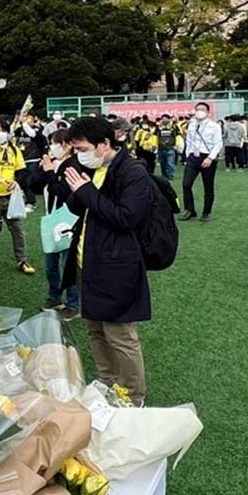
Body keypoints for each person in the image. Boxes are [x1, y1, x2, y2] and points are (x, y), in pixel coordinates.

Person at [61, 116, 153, 404]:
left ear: (104, 144)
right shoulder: (94, 167)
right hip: (87, 260)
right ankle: (107, 380)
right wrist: (75, 188)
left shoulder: (133, 172)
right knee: (95, 329)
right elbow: (81, 207)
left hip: (116, 264)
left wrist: (85, 191)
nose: (78, 154)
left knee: (120, 334)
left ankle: (133, 394)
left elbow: (126, 217)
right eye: (75, 149)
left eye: (82, 148)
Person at [32, 129, 80, 320]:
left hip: (68, 220)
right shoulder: (50, 162)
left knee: (68, 264)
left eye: (55, 143)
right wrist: (43, 171)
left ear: (68, 145)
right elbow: (34, 186)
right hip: (51, 218)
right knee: (50, 263)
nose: (52, 147)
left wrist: (51, 173)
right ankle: (54, 296)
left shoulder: (74, 165)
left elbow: (64, 192)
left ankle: (73, 304)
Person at [0, 117, 36, 276]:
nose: (0, 134)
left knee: (18, 229)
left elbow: (22, 171)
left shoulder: (14, 149)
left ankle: (22, 260)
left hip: (10, 196)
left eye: (4, 130)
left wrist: (17, 182)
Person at [181, 102, 223, 222]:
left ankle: (206, 212)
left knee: (208, 187)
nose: (199, 112)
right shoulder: (192, 124)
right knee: (186, 184)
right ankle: (190, 210)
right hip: (193, 157)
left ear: (208, 112)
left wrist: (210, 158)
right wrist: (188, 155)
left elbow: (218, 144)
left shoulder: (214, 126)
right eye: (197, 109)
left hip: (208, 157)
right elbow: (189, 140)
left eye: (202, 109)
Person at [156, 113, 180, 180]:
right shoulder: (158, 127)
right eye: (163, 119)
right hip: (161, 148)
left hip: (170, 148)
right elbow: (155, 136)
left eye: (166, 118)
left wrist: (177, 145)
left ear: (169, 119)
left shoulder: (174, 127)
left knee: (170, 163)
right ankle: (164, 175)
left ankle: (170, 175)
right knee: (162, 163)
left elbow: (178, 136)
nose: (164, 120)